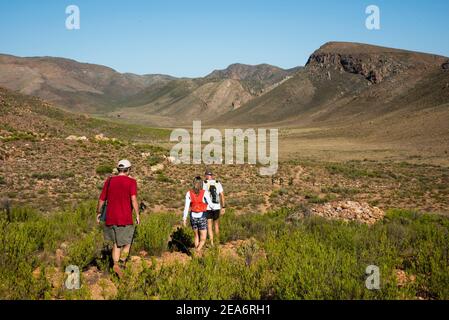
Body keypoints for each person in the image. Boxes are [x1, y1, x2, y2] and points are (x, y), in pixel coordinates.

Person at [97, 159, 140, 278]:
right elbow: (133, 199)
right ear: (128, 170)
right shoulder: (131, 182)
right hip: (124, 217)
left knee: (117, 243)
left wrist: (98, 212)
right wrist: (137, 214)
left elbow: (101, 199)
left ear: (118, 169)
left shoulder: (109, 181)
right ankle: (120, 264)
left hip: (110, 218)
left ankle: (115, 265)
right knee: (127, 242)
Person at [183, 176, 212, 254]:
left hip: (193, 216)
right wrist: (208, 206)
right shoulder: (204, 192)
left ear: (193, 183)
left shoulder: (189, 193)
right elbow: (211, 205)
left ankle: (197, 255)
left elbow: (186, 207)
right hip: (202, 216)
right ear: (201, 184)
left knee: (196, 236)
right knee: (203, 239)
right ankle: (197, 251)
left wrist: (184, 219)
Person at [203, 170, 225, 246]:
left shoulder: (203, 183)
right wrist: (223, 207)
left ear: (206, 176)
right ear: (211, 176)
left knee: (209, 225)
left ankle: (212, 243)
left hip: (208, 207)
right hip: (217, 207)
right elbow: (222, 195)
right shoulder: (217, 183)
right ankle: (217, 242)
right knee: (216, 224)